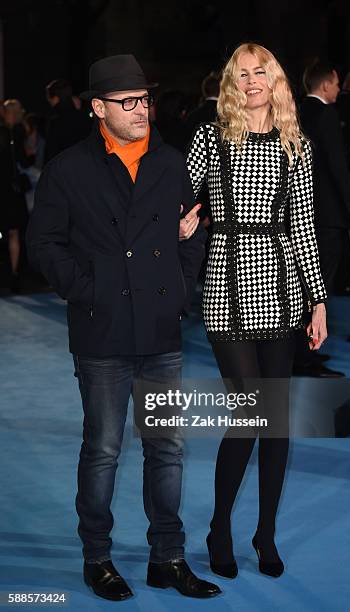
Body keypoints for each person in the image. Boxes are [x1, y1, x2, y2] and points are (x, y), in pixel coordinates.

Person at [27, 54, 220, 601]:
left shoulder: (171, 163)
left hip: (160, 330)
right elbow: (45, 245)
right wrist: (90, 290)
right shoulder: (69, 170)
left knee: (167, 449)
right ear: (98, 109)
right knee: (105, 448)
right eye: (128, 102)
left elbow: (192, 230)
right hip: (102, 332)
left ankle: (168, 557)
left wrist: (182, 291)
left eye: (146, 100)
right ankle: (98, 557)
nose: (142, 111)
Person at [186, 43, 327, 579]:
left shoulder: (297, 144)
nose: (251, 81)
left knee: (276, 424)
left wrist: (317, 301)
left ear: (276, 80)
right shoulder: (209, 137)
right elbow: (182, 198)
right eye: (241, 74)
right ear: (230, 82)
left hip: (283, 292)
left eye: (260, 72)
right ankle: (220, 525)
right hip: (225, 289)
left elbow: (305, 228)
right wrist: (180, 225)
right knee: (249, 418)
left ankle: (265, 531)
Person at [297, 60, 350, 377]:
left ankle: (301, 354)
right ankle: (305, 358)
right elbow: (338, 169)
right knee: (317, 291)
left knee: (300, 288)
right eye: (337, 84)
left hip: (300, 214)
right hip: (325, 216)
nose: (339, 90)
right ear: (326, 84)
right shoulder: (326, 114)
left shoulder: (296, 111)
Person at [0, 99, 29, 292]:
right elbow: (25, 162)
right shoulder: (19, 133)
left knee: (5, 232)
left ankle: (5, 274)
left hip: (2, 188)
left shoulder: (4, 132)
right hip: (13, 189)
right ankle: (14, 274)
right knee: (14, 233)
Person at [45, 78, 92, 162]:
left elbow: (51, 153)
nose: (48, 101)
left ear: (55, 98)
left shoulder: (55, 121)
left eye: (49, 97)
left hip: (64, 167)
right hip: (85, 163)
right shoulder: (84, 116)